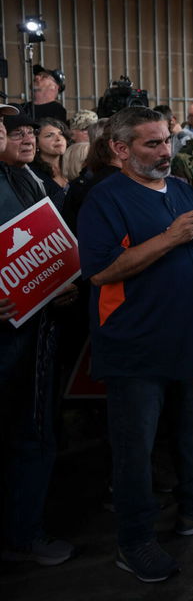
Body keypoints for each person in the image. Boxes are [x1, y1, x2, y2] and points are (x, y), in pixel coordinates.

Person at [77, 107, 193, 583]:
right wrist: (171, 237)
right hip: (135, 345)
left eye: (168, 141)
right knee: (136, 448)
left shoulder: (179, 189)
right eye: (151, 144)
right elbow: (101, 271)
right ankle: (134, 539)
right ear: (120, 149)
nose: (165, 152)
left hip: (189, 337)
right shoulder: (104, 198)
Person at [0, 105, 78, 570]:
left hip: (38, 332)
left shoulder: (30, 179)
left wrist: (60, 281)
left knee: (35, 430)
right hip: (9, 341)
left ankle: (25, 528)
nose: (24, 137)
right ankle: (20, 532)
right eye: (15, 130)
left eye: (30, 129)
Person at [31, 118, 71, 207]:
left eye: (61, 134)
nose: (58, 138)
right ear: (36, 143)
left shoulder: (74, 165)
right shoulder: (32, 173)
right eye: (49, 135)